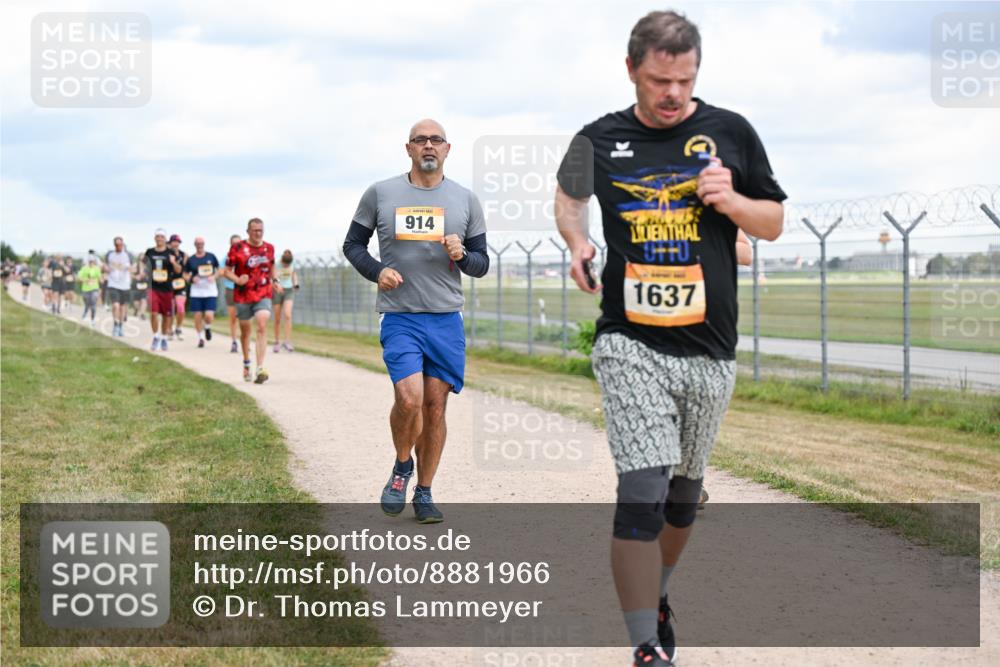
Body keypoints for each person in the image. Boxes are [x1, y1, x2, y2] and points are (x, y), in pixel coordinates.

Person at [555, 11, 785, 666]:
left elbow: (772, 222)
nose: (673, 94)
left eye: (685, 80)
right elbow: (568, 197)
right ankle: (645, 647)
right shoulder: (598, 138)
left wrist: (735, 202)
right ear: (632, 70)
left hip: (710, 348)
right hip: (629, 340)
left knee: (683, 497)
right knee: (643, 490)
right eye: (660, 79)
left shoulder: (731, 133)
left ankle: (656, 592)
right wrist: (577, 240)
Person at [343, 118, 489, 524]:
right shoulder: (381, 193)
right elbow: (353, 244)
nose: (429, 145)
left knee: (435, 407)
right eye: (420, 139)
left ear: (447, 149)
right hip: (400, 316)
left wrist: (462, 255)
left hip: (445, 319)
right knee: (408, 400)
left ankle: (424, 492)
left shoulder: (465, 200)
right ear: (408, 148)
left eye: (436, 140)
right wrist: (377, 271)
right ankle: (402, 465)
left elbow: (481, 264)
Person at [220, 219, 275, 383]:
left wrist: (276, 281)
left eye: (261, 230)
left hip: (263, 292)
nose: (258, 233)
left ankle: (260, 367)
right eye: (255, 230)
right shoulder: (237, 248)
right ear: (248, 231)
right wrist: (237, 279)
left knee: (262, 323)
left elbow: (272, 267)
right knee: (245, 332)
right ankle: (246, 363)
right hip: (243, 295)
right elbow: (226, 271)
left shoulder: (269, 248)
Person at [140, 229, 184, 351]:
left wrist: (173, 262)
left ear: (165, 239)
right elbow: (142, 263)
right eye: (157, 236)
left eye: (162, 237)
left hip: (167, 288)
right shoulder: (150, 251)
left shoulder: (171, 252)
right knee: (153, 313)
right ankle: (155, 336)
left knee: (166, 316)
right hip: (153, 287)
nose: (159, 239)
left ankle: (164, 337)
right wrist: (142, 272)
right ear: (154, 238)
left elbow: (178, 270)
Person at [184, 237, 221, 348]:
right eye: (197, 243)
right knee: (197, 316)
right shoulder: (191, 259)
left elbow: (219, 270)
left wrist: (214, 276)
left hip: (210, 291)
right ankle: (200, 338)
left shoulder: (211, 256)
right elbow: (185, 274)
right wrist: (191, 279)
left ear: (204, 244)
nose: (199, 245)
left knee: (209, 315)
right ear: (194, 244)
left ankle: (208, 327)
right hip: (196, 291)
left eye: (201, 243)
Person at [105, 237, 134, 337]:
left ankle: (121, 325)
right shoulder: (110, 255)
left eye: (120, 245)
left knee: (122, 307)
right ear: (114, 245)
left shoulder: (128, 255)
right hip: (113, 283)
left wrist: (129, 268)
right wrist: (106, 268)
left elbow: (133, 268)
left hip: (125, 284)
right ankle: (116, 325)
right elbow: (105, 266)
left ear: (123, 244)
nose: (119, 246)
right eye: (117, 245)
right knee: (115, 306)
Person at [272, 249, 299, 352]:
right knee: (277, 318)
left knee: (287, 315)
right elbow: (275, 276)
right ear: (282, 261)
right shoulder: (277, 264)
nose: (286, 266)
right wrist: (277, 284)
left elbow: (294, 274)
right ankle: (277, 342)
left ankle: (287, 342)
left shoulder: (292, 263)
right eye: (285, 264)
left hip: (289, 290)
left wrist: (296, 284)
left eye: (288, 264)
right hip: (277, 290)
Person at [222, 234, 242, 353]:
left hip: (244, 290)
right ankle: (234, 341)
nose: (236, 245)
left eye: (238, 243)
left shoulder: (246, 256)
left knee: (245, 318)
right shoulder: (226, 258)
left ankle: (245, 340)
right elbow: (223, 271)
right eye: (233, 243)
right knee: (233, 317)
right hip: (231, 289)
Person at [168, 234, 188, 340]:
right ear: (170, 243)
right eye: (174, 241)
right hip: (168, 284)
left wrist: (173, 262)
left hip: (180, 283)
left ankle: (179, 328)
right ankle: (169, 329)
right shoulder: (165, 254)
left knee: (180, 307)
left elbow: (180, 270)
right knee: (170, 309)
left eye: (178, 242)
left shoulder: (183, 255)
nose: (176, 244)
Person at [77, 254, 103, 327]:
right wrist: (86, 280)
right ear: (88, 261)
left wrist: (102, 280)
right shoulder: (84, 268)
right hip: (85, 289)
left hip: (94, 288)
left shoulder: (97, 269)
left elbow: (100, 278)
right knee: (87, 302)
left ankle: (93, 319)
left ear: (94, 262)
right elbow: (79, 278)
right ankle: (85, 311)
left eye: (93, 261)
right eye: (90, 261)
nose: (92, 262)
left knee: (93, 302)